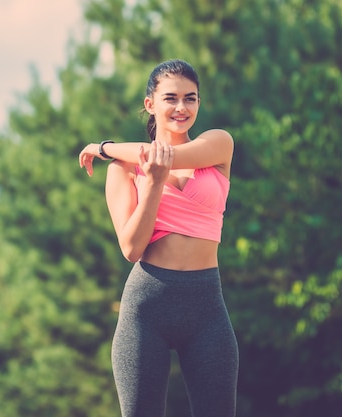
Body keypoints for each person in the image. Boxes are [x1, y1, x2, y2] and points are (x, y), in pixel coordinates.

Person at [78, 59, 238, 417]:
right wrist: (150, 184)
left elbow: (166, 156)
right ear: (150, 104)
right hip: (147, 307)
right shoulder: (123, 171)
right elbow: (132, 248)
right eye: (171, 98)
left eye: (190, 98)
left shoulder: (217, 146)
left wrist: (103, 146)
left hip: (207, 307)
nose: (181, 107)